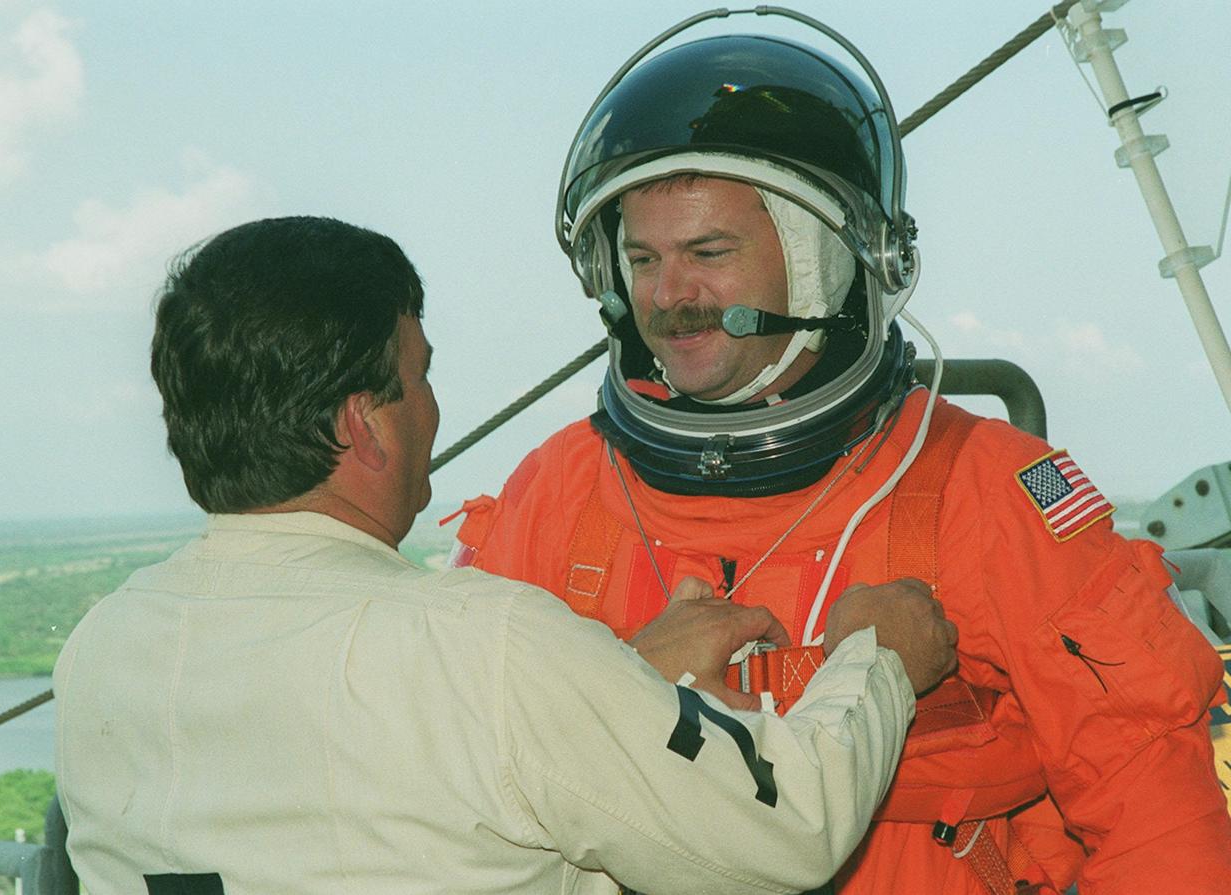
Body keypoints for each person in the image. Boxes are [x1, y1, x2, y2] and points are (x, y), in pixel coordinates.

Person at [451, 11, 1231, 894]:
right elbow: (451, 794)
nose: (669, 295)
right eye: (641, 257)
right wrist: (624, 686)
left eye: (709, 251)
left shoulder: (987, 489)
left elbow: (1154, 815)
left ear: (825, 261)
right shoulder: (557, 495)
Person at [52, 215, 960, 895]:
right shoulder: (487, 647)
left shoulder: (101, 647)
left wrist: (618, 676)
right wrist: (875, 659)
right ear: (361, 427)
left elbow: (388, 772)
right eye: (419, 376)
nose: (433, 408)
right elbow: (793, 826)